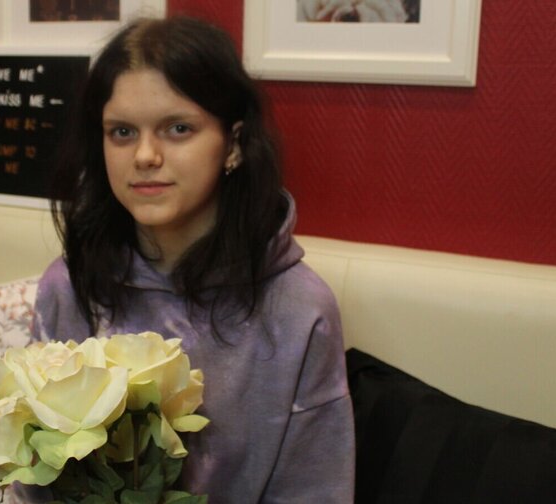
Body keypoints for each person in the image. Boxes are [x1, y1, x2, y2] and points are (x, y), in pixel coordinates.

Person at [24, 16, 355, 502]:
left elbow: (315, 489)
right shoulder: (70, 285)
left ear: (233, 143)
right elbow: (36, 482)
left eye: (178, 128)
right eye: (122, 132)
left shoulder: (298, 308)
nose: (145, 155)